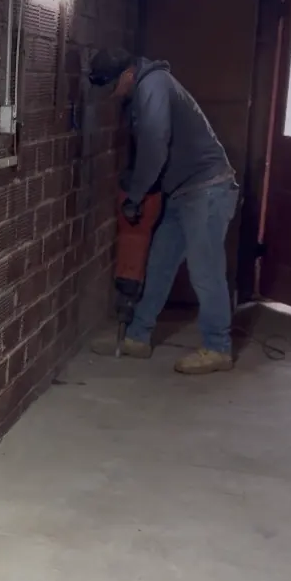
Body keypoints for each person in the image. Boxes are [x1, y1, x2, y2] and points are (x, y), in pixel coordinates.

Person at [87, 48, 240, 375]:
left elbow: (156, 144)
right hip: (183, 191)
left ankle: (218, 347)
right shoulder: (144, 88)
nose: (113, 95)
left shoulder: (153, 84)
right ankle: (138, 337)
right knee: (158, 263)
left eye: (113, 87)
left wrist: (137, 195)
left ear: (127, 75)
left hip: (207, 189)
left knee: (205, 270)